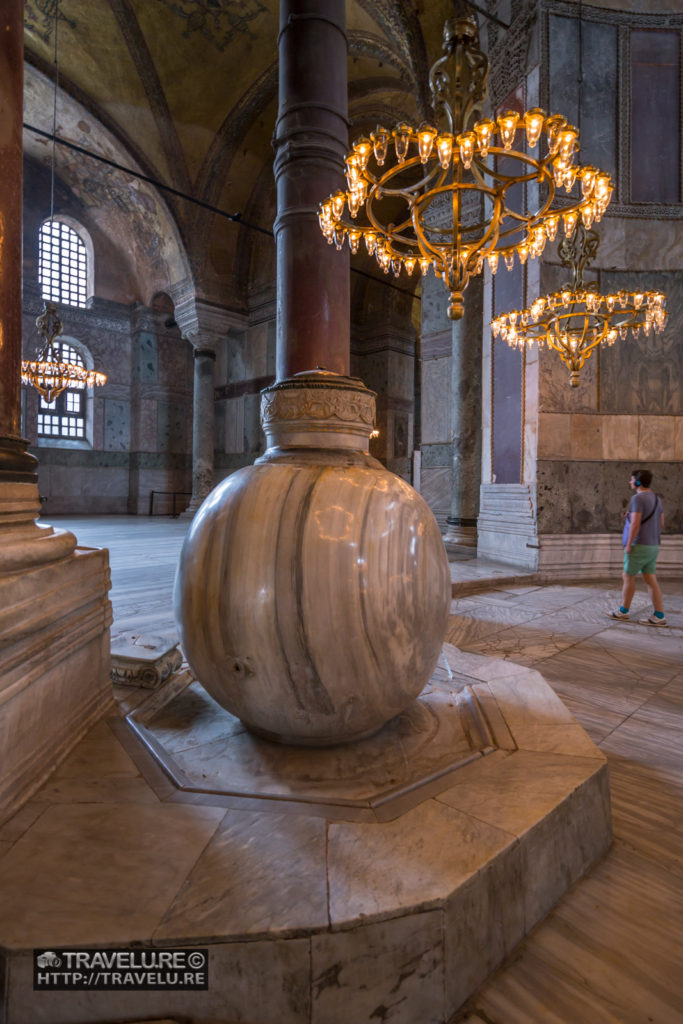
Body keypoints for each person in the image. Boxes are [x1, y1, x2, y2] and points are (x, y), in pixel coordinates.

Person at [610, 468, 666, 625]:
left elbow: (635, 524)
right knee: (650, 579)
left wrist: (629, 544)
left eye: (632, 479)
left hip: (639, 545)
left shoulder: (637, 499)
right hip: (653, 545)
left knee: (627, 576)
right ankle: (659, 615)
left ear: (638, 482)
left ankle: (623, 612)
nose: (630, 482)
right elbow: (661, 523)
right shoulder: (657, 499)